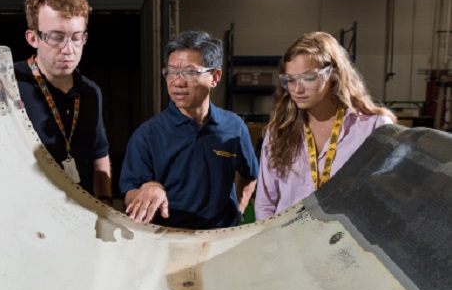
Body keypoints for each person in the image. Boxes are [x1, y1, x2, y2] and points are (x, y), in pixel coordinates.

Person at [119, 30, 259, 229]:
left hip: (220, 236)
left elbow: (250, 174)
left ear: (215, 76)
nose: (178, 82)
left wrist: (239, 211)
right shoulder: (147, 134)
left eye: (190, 72)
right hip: (168, 236)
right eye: (171, 72)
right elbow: (129, 193)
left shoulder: (234, 127)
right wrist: (149, 188)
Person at [255, 31, 397, 220]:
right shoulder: (279, 132)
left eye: (308, 78)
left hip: (346, 236)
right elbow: (265, 203)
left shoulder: (374, 128)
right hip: (290, 236)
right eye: (290, 80)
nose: (297, 89)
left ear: (334, 73)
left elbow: (389, 199)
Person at [14, 0, 113, 206]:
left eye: (77, 37)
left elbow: (100, 152)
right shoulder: (9, 86)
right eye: (56, 37)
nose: (69, 50)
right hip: (28, 216)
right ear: (33, 38)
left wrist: (105, 201)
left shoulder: (91, 92)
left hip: (80, 215)